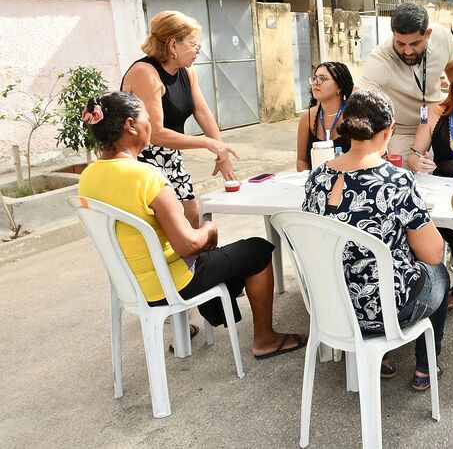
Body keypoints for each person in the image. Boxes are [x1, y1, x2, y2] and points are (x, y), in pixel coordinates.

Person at [78, 91, 305, 359]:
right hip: (170, 282)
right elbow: (187, 245)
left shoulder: (88, 176)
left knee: (216, 257)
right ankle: (265, 339)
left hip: (131, 283)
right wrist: (209, 229)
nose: (150, 124)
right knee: (257, 249)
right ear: (130, 125)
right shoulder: (145, 176)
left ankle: (218, 308)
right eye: (147, 119)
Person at [302, 89, 448, 391]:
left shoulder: (316, 177)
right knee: (438, 273)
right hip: (382, 314)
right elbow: (433, 254)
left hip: (331, 309)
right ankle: (425, 365)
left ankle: (380, 359)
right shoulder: (397, 181)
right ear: (388, 130)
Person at [121, 10, 239, 228]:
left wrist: (221, 151)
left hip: (170, 157)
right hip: (142, 161)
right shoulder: (145, 73)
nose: (198, 51)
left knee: (194, 219)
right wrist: (206, 142)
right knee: (168, 227)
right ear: (173, 45)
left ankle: (197, 263)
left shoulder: (187, 71)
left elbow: (202, 112)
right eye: (194, 44)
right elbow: (154, 134)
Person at [407, 63, 453, 310]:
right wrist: (420, 162)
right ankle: (429, 285)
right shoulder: (432, 112)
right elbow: (414, 153)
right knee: (426, 228)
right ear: (452, 91)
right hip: (438, 185)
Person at [355, 3, 453, 160]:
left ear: (428, 34)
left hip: (441, 121)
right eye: (400, 43)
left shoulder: (443, 37)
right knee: (408, 176)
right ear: (393, 34)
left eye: (415, 44)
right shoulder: (380, 59)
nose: (408, 51)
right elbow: (358, 101)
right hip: (404, 131)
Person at [296, 62, 354, 171]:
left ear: (339, 87)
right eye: (314, 78)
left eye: (323, 78)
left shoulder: (353, 115)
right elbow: (301, 160)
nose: (316, 83)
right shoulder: (307, 117)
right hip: (315, 183)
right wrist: (312, 181)